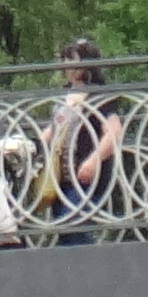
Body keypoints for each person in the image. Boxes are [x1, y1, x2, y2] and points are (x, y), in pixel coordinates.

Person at [40, 37, 122, 245]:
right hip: (61, 177)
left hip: (85, 178)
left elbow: (113, 132)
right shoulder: (63, 95)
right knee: (66, 228)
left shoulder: (99, 95)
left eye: (72, 59)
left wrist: (94, 160)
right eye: (65, 59)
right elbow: (53, 129)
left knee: (70, 225)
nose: (67, 65)